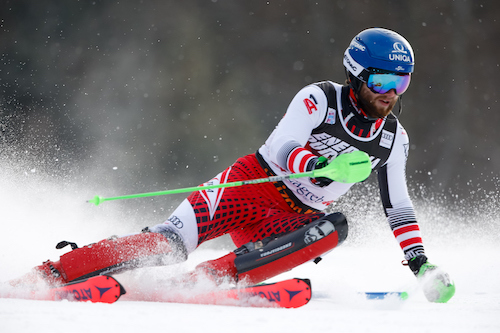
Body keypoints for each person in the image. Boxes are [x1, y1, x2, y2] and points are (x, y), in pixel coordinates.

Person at [18, 28, 455, 303]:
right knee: (166, 245)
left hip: (293, 219)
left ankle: (209, 280)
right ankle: (48, 275)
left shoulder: (393, 138)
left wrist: (420, 263)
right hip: (248, 186)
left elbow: (398, 205)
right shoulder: (319, 99)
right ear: (357, 75)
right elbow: (283, 148)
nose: (392, 92)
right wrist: (325, 167)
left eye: (403, 81)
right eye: (382, 81)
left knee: (334, 229)